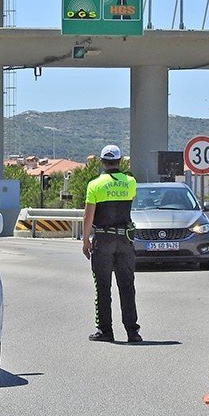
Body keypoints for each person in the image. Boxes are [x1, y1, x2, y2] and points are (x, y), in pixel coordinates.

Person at [82, 144, 141, 343]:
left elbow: (88, 216)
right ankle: (132, 332)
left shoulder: (95, 185)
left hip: (103, 240)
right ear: (120, 161)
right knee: (127, 286)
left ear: (102, 162)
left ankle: (106, 331)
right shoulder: (130, 182)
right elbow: (131, 198)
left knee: (103, 287)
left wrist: (85, 240)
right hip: (125, 239)